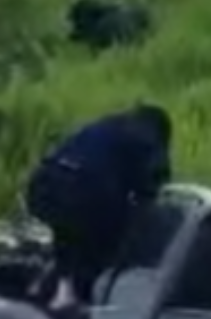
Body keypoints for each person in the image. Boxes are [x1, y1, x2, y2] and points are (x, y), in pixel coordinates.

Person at [24, 102, 173, 308]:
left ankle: (56, 286)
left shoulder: (106, 126)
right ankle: (93, 298)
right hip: (83, 191)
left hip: (44, 184)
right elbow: (151, 183)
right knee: (106, 242)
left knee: (69, 234)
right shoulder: (148, 135)